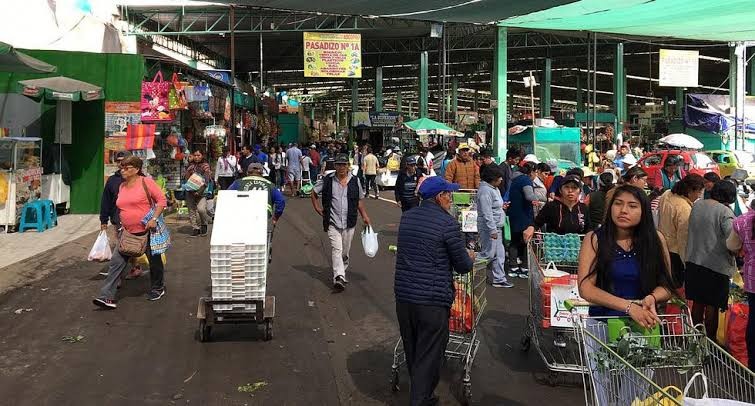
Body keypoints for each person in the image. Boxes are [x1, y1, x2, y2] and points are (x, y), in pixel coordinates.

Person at [577, 185, 674, 405]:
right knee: (605, 392)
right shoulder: (594, 239)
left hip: (644, 326)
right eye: (618, 204)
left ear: (644, 212)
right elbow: (586, 288)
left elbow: (667, 286)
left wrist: (651, 298)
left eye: (632, 206)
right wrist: (629, 307)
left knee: (635, 394)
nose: (623, 210)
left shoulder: (656, 240)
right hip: (602, 324)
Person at [394, 175, 475, 405]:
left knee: (413, 350)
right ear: (440, 197)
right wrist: (469, 256)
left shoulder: (407, 218)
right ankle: (420, 399)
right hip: (432, 300)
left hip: (404, 297)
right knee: (429, 355)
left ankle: (424, 395)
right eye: (449, 195)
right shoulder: (447, 223)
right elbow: (462, 265)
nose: (451, 199)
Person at [93, 156, 168, 309]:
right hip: (127, 232)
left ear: (137, 169)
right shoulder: (122, 186)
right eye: (121, 167)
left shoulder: (146, 182)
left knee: (154, 262)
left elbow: (161, 201)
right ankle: (106, 297)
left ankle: (157, 288)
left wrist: (153, 218)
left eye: (127, 168)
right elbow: (120, 206)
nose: (123, 170)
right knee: (115, 263)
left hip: (148, 231)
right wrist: (114, 221)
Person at [311, 153, 371, 292]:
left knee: (345, 251)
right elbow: (313, 192)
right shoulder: (328, 180)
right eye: (338, 164)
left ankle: (342, 272)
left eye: (344, 164)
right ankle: (338, 276)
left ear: (348, 166)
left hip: (349, 222)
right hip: (333, 222)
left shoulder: (355, 181)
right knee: (336, 250)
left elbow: (359, 200)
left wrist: (365, 216)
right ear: (335, 166)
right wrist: (317, 208)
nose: (341, 167)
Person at [685, 180, 736, 341]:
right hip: (715, 265)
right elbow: (732, 240)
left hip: (693, 261)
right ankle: (711, 343)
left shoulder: (698, 205)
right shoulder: (725, 212)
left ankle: (695, 341)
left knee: (698, 303)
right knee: (712, 306)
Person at [655, 174, 705, 287]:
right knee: (674, 284)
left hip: (661, 243)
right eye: (698, 192)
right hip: (675, 252)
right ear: (690, 190)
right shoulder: (684, 209)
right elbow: (683, 238)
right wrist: (686, 261)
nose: (699, 196)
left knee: (663, 281)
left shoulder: (667, 193)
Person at [726, 198, 755, 371]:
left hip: (752, 279)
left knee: (753, 323)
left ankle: (752, 367)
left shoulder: (742, 221)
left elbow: (731, 245)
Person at [523, 174, 592, 241]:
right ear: (560, 190)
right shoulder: (551, 206)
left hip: (577, 249)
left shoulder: (583, 208)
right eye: (566, 187)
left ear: (579, 191)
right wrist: (531, 227)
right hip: (554, 249)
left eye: (574, 187)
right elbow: (537, 222)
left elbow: (588, 228)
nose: (570, 191)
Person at [477, 165, 513, 289]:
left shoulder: (494, 189)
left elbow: (494, 206)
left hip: (497, 226)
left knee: (500, 254)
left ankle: (499, 278)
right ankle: (469, 270)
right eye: (499, 177)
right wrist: (492, 229)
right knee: (488, 254)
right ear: (492, 178)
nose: (501, 180)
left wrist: (502, 207)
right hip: (489, 228)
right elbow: (486, 212)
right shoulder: (485, 191)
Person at [507, 162, 540, 278]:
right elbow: (529, 196)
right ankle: (525, 268)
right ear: (531, 172)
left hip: (513, 214)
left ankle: (513, 266)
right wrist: (542, 198)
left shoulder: (514, 179)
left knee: (514, 241)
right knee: (527, 241)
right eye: (536, 172)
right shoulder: (526, 180)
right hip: (524, 215)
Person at [185, 150, 212, 237]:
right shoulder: (190, 166)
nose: (196, 157)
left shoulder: (205, 166)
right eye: (195, 155)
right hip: (190, 191)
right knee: (191, 210)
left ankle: (204, 224)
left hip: (201, 192)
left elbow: (206, 181)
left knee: (201, 209)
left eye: (198, 155)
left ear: (202, 156)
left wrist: (199, 191)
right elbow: (186, 177)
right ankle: (195, 228)